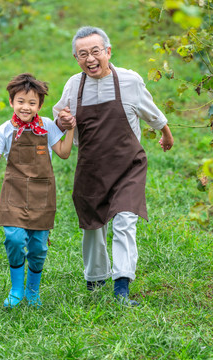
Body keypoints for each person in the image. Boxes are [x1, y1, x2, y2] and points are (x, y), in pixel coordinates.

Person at [53, 26, 174, 306]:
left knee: (124, 220)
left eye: (95, 51)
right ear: (76, 58)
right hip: (92, 167)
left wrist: (166, 134)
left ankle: (122, 286)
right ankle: (95, 278)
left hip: (127, 165)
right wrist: (63, 121)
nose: (90, 59)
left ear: (108, 52)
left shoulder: (130, 81)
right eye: (83, 54)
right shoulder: (74, 85)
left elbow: (151, 111)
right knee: (92, 225)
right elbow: (60, 115)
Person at [0, 73, 74, 308]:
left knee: (38, 246)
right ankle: (16, 289)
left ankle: (33, 290)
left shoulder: (47, 127)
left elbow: (63, 153)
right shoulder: (4, 130)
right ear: (12, 102)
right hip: (13, 192)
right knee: (14, 238)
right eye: (21, 101)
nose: (26, 107)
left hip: (42, 194)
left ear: (39, 106)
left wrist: (71, 128)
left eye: (32, 103)